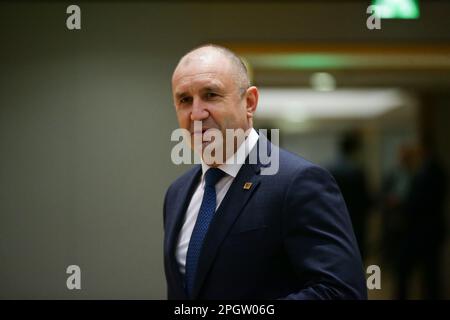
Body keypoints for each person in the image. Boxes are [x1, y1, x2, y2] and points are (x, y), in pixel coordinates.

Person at [163, 44, 367, 300]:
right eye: (184, 100)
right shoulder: (177, 193)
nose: (196, 113)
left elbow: (342, 292)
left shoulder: (298, 182)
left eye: (211, 95)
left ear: (249, 102)